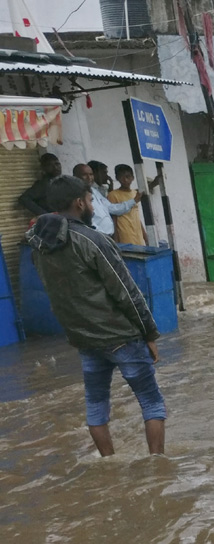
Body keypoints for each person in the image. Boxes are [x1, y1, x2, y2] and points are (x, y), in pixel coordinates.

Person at [26, 176, 165, 456]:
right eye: (90, 201)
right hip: (121, 336)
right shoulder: (93, 240)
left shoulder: (38, 246)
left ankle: (109, 465)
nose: (92, 206)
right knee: (152, 403)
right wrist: (150, 334)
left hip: (84, 339)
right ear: (79, 203)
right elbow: (127, 291)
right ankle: (157, 468)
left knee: (96, 407)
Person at [72, 163, 139, 238]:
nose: (89, 177)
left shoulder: (94, 191)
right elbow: (86, 221)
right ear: (75, 177)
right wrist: (100, 235)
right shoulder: (76, 195)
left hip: (106, 237)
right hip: (97, 237)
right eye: (84, 175)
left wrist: (134, 201)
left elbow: (112, 208)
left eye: (91, 174)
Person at [109, 164, 148, 245]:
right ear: (117, 178)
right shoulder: (113, 195)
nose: (125, 180)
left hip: (138, 235)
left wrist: (145, 236)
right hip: (124, 236)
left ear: (132, 177)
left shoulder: (135, 194)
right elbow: (114, 219)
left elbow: (136, 216)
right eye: (121, 177)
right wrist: (116, 241)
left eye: (128, 176)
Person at [18, 153, 62, 217]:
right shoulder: (43, 184)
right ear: (44, 168)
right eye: (50, 165)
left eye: (57, 164)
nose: (55, 167)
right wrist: (45, 214)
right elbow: (24, 199)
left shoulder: (63, 181)